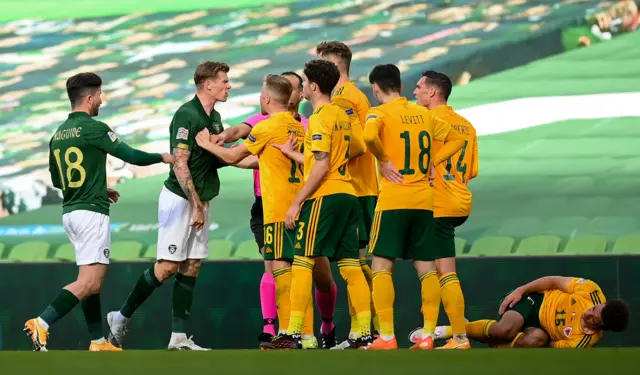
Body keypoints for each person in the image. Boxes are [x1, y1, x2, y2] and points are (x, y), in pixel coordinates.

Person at [24, 72, 173, 352]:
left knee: (89, 279)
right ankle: (41, 323)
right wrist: (163, 157)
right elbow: (132, 156)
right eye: (100, 95)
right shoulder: (95, 128)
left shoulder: (57, 135)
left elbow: (59, 181)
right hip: (91, 214)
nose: (101, 100)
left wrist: (97, 187)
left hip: (72, 213)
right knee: (90, 281)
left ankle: (97, 341)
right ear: (90, 98)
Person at [105, 61, 231, 351]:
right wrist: (195, 205)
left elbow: (211, 159)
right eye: (224, 81)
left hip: (202, 199)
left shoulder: (215, 118)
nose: (228, 85)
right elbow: (180, 164)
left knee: (192, 265)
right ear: (207, 84)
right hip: (180, 200)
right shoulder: (186, 115)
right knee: (167, 268)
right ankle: (120, 317)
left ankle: (178, 337)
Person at [194, 75, 313, 348]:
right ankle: (305, 334)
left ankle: (288, 333)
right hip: (303, 205)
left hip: (277, 210)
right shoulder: (300, 127)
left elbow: (233, 155)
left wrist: (207, 144)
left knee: (281, 271)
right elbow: (259, 162)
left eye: (261, 94)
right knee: (301, 270)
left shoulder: (267, 128)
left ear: (268, 99)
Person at [264, 59, 372, 349]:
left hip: (325, 196)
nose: (300, 89)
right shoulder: (341, 114)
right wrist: (295, 155)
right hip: (349, 194)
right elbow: (355, 149)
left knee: (301, 262)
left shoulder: (321, 117)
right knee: (351, 265)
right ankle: (363, 333)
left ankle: (293, 332)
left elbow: (322, 166)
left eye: (304, 83)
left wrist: (296, 202)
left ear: (312, 86)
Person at [360, 64, 465, 350]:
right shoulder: (423, 114)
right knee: (427, 268)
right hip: (424, 201)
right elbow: (457, 138)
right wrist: (434, 160)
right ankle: (428, 335)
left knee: (381, 264)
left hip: (394, 198)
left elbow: (368, 138)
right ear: (402, 87)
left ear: (376, 89)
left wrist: (382, 159)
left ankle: (387, 336)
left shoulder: (378, 112)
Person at [316, 41, 378, 349]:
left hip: (357, 188)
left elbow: (358, 143)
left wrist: (326, 157)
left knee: (356, 263)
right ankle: (367, 331)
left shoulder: (343, 98)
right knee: (357, 263)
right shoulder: (352, 95)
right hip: (359, 187)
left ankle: (365, 331)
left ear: (334, 66)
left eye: (319, 64)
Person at [411, 70, 479, 349]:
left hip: (439, 202)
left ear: (432, 92)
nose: (414, 92)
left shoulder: (428, 121)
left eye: (418, 87)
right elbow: (472, 170)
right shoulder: (466, 125)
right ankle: (429, 333)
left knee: (445, 271)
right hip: (460, 198)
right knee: (432, 269)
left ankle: (460, 337)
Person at [434, 276, 630, 348]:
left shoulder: (583, 341)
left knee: (534, 341)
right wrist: (522, 290)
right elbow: (552, 281)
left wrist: (529, 343)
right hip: (535, 300)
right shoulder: (591, 291)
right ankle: (449, 331)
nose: (588, 313)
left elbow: (550, 346)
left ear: (600, 328)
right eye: (594, 309)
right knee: (504, 331)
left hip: (540, 330)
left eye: (593, 319)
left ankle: (468, 337)